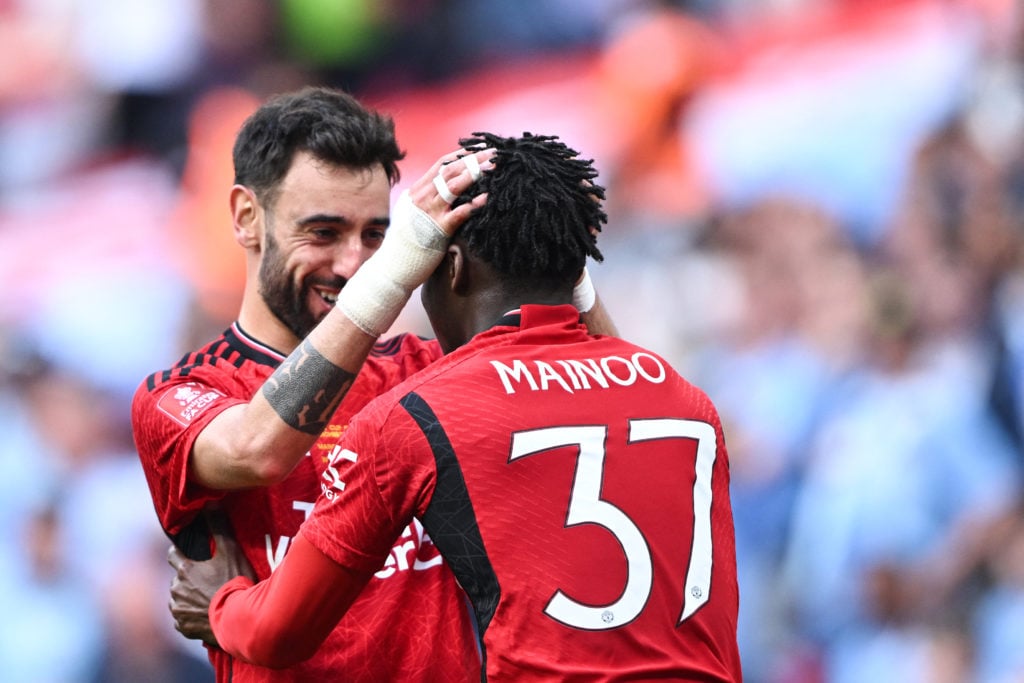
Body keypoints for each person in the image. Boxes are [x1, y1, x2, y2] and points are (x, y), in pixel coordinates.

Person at [168, 131, 743, 681]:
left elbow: (277, 634)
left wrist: (220, 602)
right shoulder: (684, 399)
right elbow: (606, 364)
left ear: (449, 265)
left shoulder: (417, 417)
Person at [131, 86, 615, 682]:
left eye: (377, 236)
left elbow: (611, 390)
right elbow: (258, 450)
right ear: (246, 218)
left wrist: (558, 254)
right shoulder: (181, 392)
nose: (353, 264)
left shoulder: (430, 369)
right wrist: (392, 274)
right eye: (324, 233)